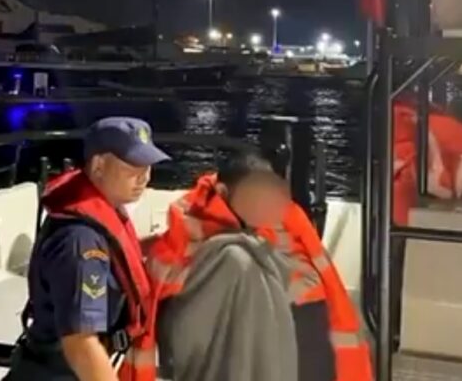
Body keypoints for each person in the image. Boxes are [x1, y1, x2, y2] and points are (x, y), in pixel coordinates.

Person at [128, 151, 373, 381]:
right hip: (231, 339)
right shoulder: (197, 229)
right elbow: (171, 278)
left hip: (295, 340)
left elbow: (319, 278)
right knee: (237, 264)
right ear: (223, 192)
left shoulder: (289, 219)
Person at [4, 117, 170, 381]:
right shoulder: (81, 242)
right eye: (132, 166)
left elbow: (115, 258)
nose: (144, 177)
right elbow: (81, 345)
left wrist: (160, 244)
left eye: (147, 166)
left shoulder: (100, 217)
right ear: (99, 166)